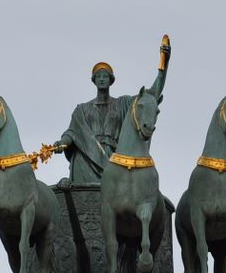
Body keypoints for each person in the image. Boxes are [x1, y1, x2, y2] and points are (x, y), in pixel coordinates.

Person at [55, 37, 170, 185]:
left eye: (105, 76)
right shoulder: (81, 110)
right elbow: (72, 133)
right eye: (98, 76)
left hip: (114, 159)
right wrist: (62, 143)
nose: (102, 79)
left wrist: (163, 66)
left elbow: (151, 95)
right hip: (86, 159)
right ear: (94, 80)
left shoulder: (123, 104)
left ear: (111, 80)